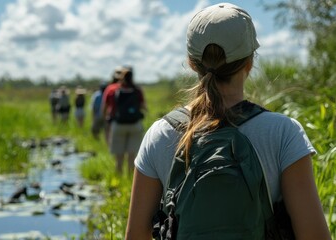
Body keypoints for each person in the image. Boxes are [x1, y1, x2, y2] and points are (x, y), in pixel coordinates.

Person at [126, 3, 331, 240]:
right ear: (249, 62)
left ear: (192, 63)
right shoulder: (283, 132)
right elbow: (314, 235)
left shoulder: (160, 134)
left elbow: (135, 235)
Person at [109, 67, 146, 174]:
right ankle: (130, 179)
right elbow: (144, 106)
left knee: (119, 158)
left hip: (118, 124)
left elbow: (109, 108)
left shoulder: (113, 90)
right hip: (135, 125)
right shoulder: (138, 90)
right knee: (132, 156)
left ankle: (118, 178)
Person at [101, 66, 124, 145]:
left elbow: (104, 106)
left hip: (114, 119)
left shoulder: (110, 88)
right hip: (131, 121)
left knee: (115, 144)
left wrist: (105, 118)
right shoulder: (133, 88)